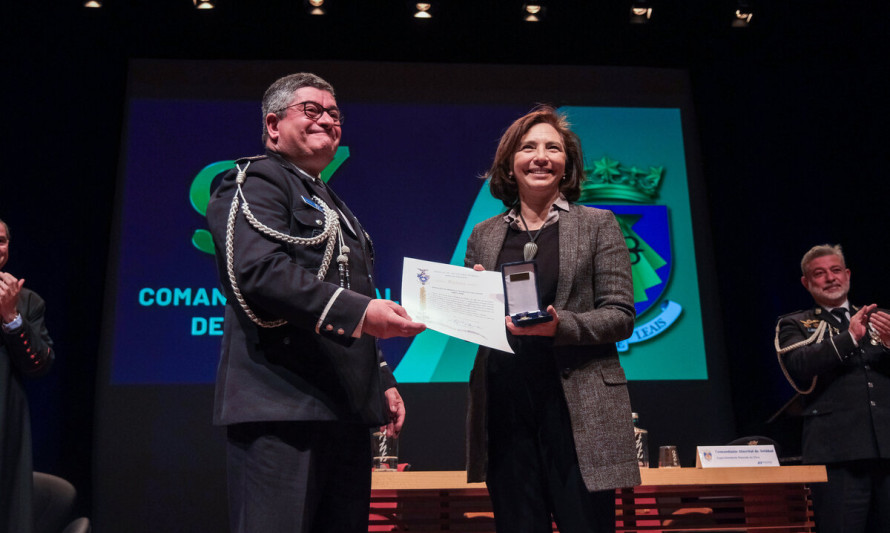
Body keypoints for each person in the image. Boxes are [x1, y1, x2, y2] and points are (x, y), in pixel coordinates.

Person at [205, 73, 426, 533]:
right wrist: (363, 315)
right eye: (311, 110)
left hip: (342, 409)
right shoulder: (255, 181)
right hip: (282, 407)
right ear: (273, 125)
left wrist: (379, 377)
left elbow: (349, 285)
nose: (327, 119)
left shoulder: (330, 200)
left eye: (334, 113)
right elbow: (258, 271)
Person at [464, 106, 639, 533]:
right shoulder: (484, 235)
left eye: (553, 148)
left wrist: (560, 327)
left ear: (567, 164)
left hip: (577, 408)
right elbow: (479, 322)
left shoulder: (599, 225)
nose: (541, 156)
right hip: (506, 406)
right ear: (509, 163)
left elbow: (620, 316)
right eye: (528, 147)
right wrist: (472, 301)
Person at [775, 244, 890, 532]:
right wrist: (849, 337)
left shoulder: (882, 319)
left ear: (848, 274)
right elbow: (799, 366)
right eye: (820, 273)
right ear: (806, 282)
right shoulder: (794, 323)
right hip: (837, 453)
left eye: (836, 270)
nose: (830, 278)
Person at [0, 217, 55, 533]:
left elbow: (40, 364)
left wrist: (11, 317)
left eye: (2, 240)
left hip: (6, 431)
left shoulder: (27, 301)